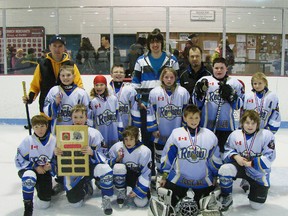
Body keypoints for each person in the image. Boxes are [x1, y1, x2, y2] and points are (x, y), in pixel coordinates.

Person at [131, 28, 179, 176]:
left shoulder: (171, 60)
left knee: (167, 138)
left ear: (162, 43)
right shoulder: (140, 60)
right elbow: (135, 83)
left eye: (157, 41)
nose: (155, 45)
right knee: (147, 138)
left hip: (167, 107)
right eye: (152, 42)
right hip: (146, 106)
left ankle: (168, 169)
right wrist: (139, 100)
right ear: (148, 44)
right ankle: (149, 171)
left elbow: (178, 82)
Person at [54, 104, 115, 215]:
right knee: (75, 203)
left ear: (86, 117)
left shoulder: (94, 133)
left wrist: (92, 152)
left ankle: (106, 198)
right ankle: (86, 187)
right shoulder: (63, 133)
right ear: (71, 117)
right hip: (74, 169)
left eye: (81, 117)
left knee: (105, 169)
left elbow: (105, 155)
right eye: (75, 117)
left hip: (91, 166)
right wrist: (56, 153)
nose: (78, 120)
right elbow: (57, 157)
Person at [159, 104, 222, 207]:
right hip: (179, 179)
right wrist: (164, 175)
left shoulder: (209, 135)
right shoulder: (176, 134)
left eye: (196, 117)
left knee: (202, 207)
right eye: (190, 118)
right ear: (184, 118)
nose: (194, 121)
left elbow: (214, 159)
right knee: (174, 206)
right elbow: (168, 156)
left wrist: (215, 175)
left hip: (202, 181)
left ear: (200, 118)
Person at [218, 110, 276, 211]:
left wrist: (252, 163)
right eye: (247, 123)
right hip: (241, 167)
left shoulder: (266, 135)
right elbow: (227, 150)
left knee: (256, 206)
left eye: (253, 123)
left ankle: (253, 187)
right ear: (242, 123)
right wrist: (236, 157)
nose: (250, 126)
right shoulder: (235, 135)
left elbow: (270, 156)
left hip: (258, 173)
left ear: (258, 124)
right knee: (224, 169)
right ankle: (226, 195)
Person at [23, 35, 83, 118]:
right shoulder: (42, 65)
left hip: (66, 112)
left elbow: (78, 85)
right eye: (54, 46)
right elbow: (35, 86)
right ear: (49, 47)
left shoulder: (71, 65)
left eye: (60, 46)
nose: (57, 49)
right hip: (46, 110)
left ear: (64, 48)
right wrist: (30, 98)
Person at [192, 57, 244, 153]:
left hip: (227, 127)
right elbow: (196, 104)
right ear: (212, 68)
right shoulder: (204, 81)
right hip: (207, 126)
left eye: (221, 68)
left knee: (225, 154)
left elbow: (238, 106)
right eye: (216, 68)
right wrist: (199, 94)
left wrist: (232, 96)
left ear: (226, 69)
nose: (219, 70)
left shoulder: (234, 83)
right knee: (206, 153)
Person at [146, 67, 190, 172]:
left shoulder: (183, 92)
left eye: (171, 77)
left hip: (177, 131)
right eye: (166, 77)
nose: (169, 80)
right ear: (162, 78)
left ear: (175, 78)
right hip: (160, 133)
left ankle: (174, 178)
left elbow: (187, 112)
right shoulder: (155, 92)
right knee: (160, 156)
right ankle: (160, 176)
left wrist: (185, 128)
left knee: (176, 156)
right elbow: (150, 111)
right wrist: (154, 129)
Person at [15, 115, 57, 216]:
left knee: (44, 204)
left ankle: (40, 189)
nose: (40, 129)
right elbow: (19, 159)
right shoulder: (28, 140)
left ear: (47, 126)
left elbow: (58, 160)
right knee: (29, 177)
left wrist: (51, 165)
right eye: (36, 127)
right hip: (29, 169)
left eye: (42, 126)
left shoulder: (54, 140)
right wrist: (35, 166)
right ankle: (28, 207)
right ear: (32, 127)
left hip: (44, 172)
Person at [108, 125, 152, 208]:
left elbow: (146, 173)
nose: (128, 142)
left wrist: (138, 191)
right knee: (119, 168)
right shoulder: (118, 147)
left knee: (140, 203)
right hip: (123, 176)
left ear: (136, 138)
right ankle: (121, 191)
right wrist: (117, 159)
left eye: (131, 139)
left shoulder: (145, 151)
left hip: (136, 178)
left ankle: (138, 191)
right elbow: (107, 162)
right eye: (126, 139)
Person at [43, 64, 90, 133]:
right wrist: (55, 104)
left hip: (77, 131)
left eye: (68, 75)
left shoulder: (81, 93)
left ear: (74, 76)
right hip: (58, 130)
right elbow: (46, 110)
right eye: (63, 75)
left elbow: (88, 113)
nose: (65, 78)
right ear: (59, 77)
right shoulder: (54, 91)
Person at [89, 75, 123, 149]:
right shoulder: (92, 101)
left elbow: (118, 116)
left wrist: (120, 130)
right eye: (96, 85)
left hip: (113, 133)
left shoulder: (113, 99)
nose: (99, 87)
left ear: (105, 85)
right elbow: (90, 120)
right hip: (99, 134)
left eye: (101, 84)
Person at [108, 64, 137, 129]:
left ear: (124, 75)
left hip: (126, 129)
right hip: (110, 128)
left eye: (121, 72)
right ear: (111, 74)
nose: (118, 74)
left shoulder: (130, 90)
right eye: (116, 72)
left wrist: (134, 127)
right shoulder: (106, 90)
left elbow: (134, 109)